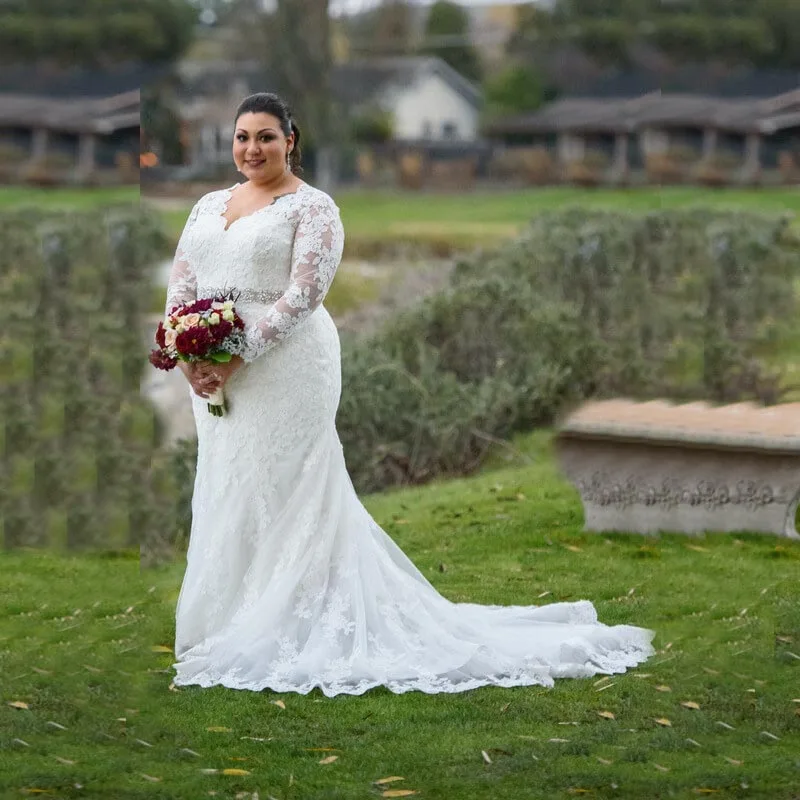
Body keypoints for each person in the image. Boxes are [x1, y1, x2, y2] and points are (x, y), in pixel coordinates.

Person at [169, 92, 656, 696]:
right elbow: (182, 282)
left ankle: (297, 619)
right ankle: (233, 617)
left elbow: (303, 297)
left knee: (291, 483)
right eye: (242, 137)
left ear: (291, 140)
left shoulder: (314, 209)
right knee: (233, 480)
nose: (252, 149)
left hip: (286, 365)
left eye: (266, 137)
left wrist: (237, 356)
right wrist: (185, 353)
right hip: (209, 368)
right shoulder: (208, 206)